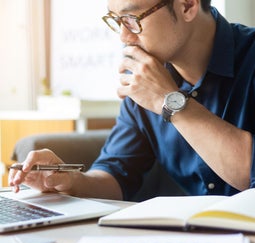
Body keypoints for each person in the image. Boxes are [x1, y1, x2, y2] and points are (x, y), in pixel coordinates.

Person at [9, 0, 255, 201]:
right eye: (116, 21)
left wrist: (169, 101)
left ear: (187, 5)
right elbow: (116, 175)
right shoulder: (144, 78)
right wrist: (71, 181)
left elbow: (249, 174)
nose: (124, 37)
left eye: (133, 19)